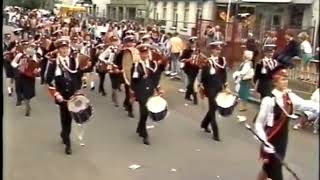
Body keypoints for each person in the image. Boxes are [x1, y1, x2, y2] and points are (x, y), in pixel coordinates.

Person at [254, 66, 319, 180]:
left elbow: (306, 104)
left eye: (286, 78)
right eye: (282, 79)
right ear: (275, 82)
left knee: (267, 168)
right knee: (275, 172)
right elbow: (259, 124)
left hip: (282, 141)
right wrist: (264, 142)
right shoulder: (269, 100)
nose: (286, 81)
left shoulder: (289, 97)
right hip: (270, 140)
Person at [45, 37, 90, 155]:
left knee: (74, 116)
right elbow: (48, 80)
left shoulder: (74, 61)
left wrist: (83, 75)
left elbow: (78, 75)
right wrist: (56, 93)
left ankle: (65, 134)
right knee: (65, 118)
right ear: (58, 50)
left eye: (66, 48)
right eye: (62, 48)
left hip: (73, 94)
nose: (64, 50)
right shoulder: (54, 63)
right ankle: (67, 141)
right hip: (62, 95)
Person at [130, 44, 164, 145]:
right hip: (141, 92)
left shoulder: (153, 64)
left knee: (145, 113)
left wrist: (158, 89)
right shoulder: (136, 65)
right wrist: (133, 94)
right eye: (142, 53)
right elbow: (133, 81)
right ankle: (145, 135)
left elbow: (156, 78)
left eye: (146, 53)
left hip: (150, 91)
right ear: (139, 54)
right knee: (144, 112)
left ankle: (140, 128)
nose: (145, 55)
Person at [199, 41, 227, 141]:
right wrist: (208, 72)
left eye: (219, 49)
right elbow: (203, 77)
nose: (218, 51)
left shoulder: (222, 60)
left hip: (218, 87)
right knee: (212, 108)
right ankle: (216, 133)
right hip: (210, 87)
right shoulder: (207, 61)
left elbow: (224, 74)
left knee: (214, 108)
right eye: (216, 49)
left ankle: (204, 123)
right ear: (212, 50)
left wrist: (225, 86)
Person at [11, 41, 40, 116]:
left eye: (27, 45)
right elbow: (13, 63)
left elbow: (38, 66)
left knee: (28, 91)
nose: (25, 47)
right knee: (18, 88)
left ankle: (27, 105)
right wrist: (18, 65)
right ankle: (19, 99)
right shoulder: (20, 55)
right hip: (20, 75)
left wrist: (37, 70)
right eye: (24, 45)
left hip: (30, 77)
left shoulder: (34, 55)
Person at [98, 35, 121, 107]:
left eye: (116, 41)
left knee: (118, 82)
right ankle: (115, 98)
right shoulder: (109, 49)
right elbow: (101, 56)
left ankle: (114, 94)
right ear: (111, 42)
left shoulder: (121, 49)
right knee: (114, 82)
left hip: (119, 66)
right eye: (113, 41)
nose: (115, 43)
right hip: (111, 66)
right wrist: (106, 61)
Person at [180, 36, 200, 105]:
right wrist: (188, 60)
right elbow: (181, 59)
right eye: (192, 43)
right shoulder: (186, 51)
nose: (194, 44)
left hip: (196, 69)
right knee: (193, 83)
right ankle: (195, 98)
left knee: (191, 83)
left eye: (195, 43)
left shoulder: (198, 50)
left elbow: (199, 58)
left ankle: (187, 95)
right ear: (190, 44)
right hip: (189, 69)